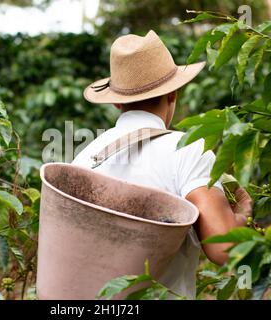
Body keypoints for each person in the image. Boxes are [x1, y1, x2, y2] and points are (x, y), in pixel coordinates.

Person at [72, 30, 253, 299]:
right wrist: (242, 215)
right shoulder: (189, 149)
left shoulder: (83, 159)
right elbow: (224, 248)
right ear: (173, 94)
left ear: (117, 102)